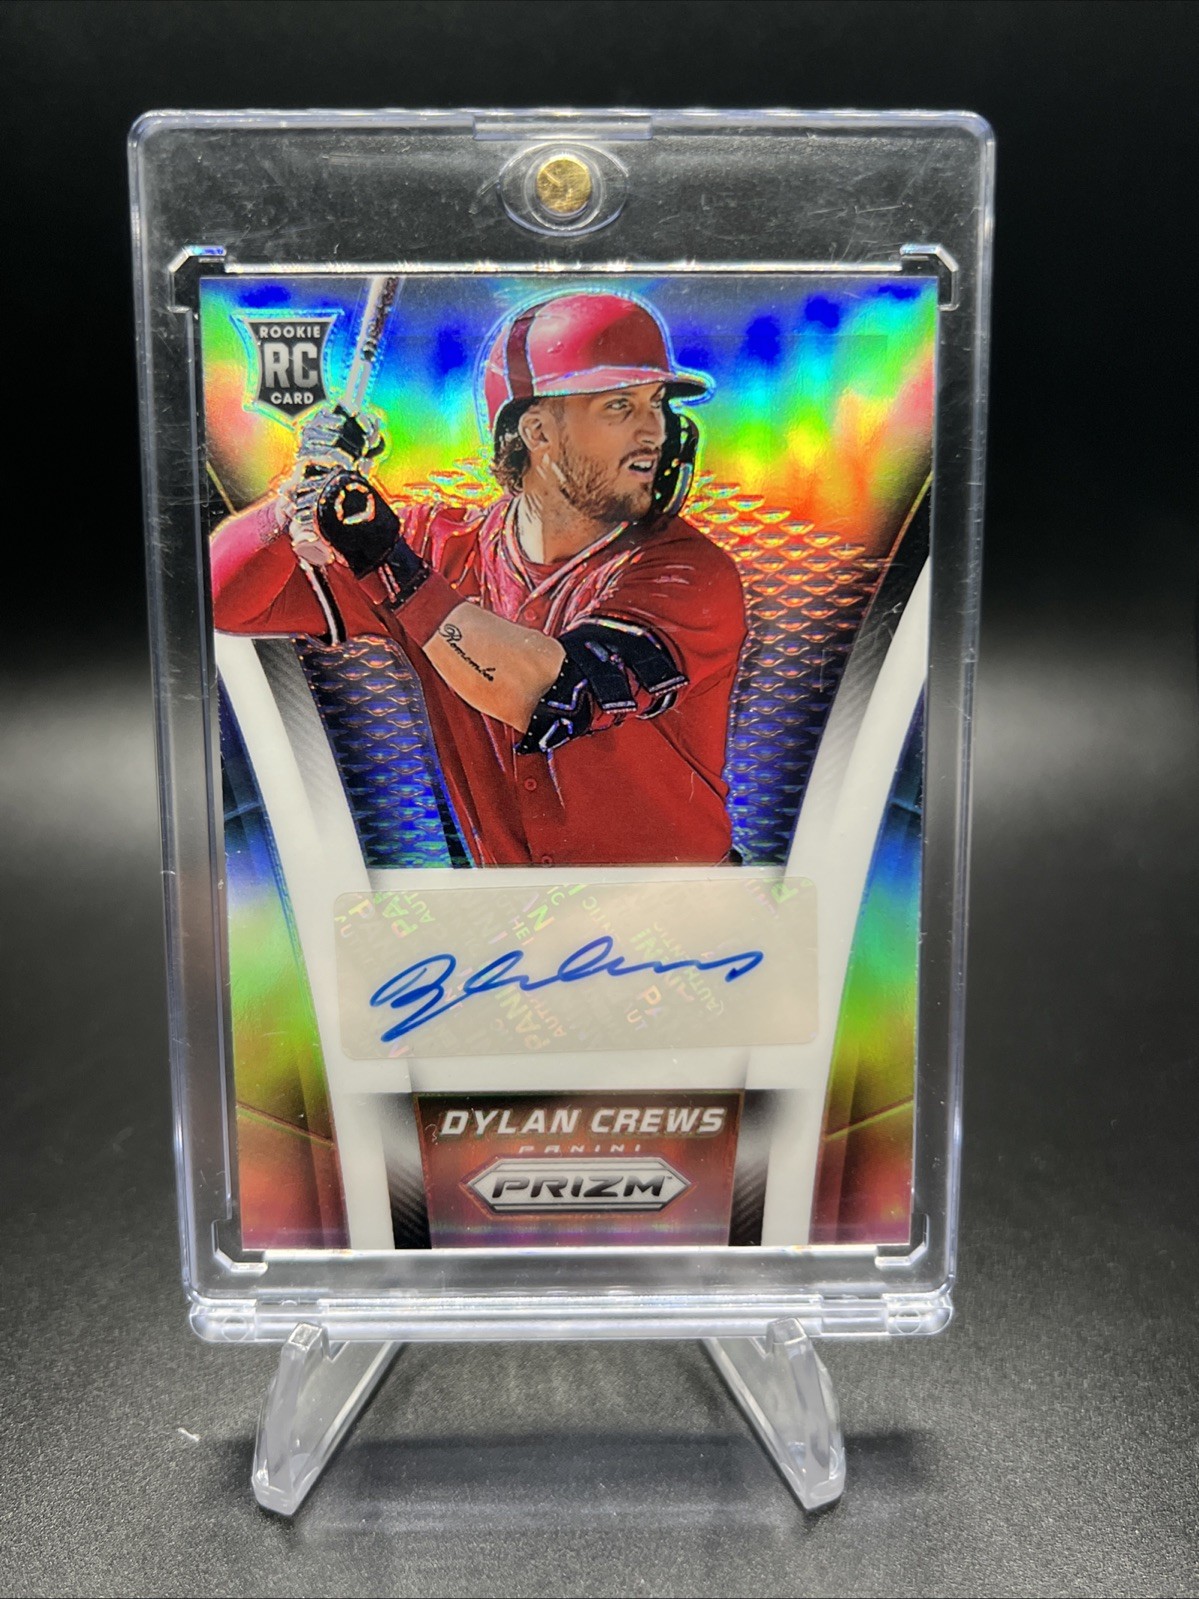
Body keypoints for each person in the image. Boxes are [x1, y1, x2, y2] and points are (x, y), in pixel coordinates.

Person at [211, 290, 747, 867]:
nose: (656, 432)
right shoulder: (437, 547)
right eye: (621, 406)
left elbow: (555, 696)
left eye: (656, 404)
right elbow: (222, 601)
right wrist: (293, 499)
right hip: (513, 911)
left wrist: (391, 568)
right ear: (538, 433)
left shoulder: (691, 572)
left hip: (684, 911)